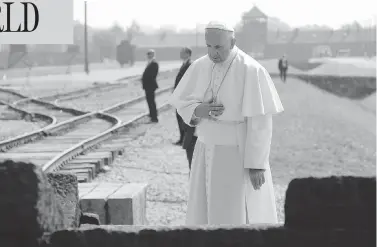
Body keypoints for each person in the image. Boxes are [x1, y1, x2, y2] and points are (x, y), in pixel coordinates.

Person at [169, 21, 284, 226]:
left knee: (234, 211)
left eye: (219, 47)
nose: (213, 53)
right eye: (209, 46)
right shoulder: (200, 65)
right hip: (205, 149)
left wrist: (256, 164)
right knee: (203, 211)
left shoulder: (251, 69)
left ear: (232, 42)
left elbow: (260, 122)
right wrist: (198, 110)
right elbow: (182, 102)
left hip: (236, 153)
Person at [173, 47, 193, 146]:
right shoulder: (184, 64)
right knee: (179, 116)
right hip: (179, 95)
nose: (181, 54)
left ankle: (184, 138)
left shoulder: (190, 65)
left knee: (183, 117)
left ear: (188, 54)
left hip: (184, 96)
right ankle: (182, 138)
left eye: (183, 53)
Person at [142, 49, 159, 123]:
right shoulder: (149, 63)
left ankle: (154, 117)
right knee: (149, 101)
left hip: (151, 85)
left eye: (150, 54)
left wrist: (146, 80)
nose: (149, 56)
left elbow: (152, 75)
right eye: (148, 54)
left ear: (153, 55)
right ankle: (152, 115)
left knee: (151, 102)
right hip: (147, 86)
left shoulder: (154, 63)